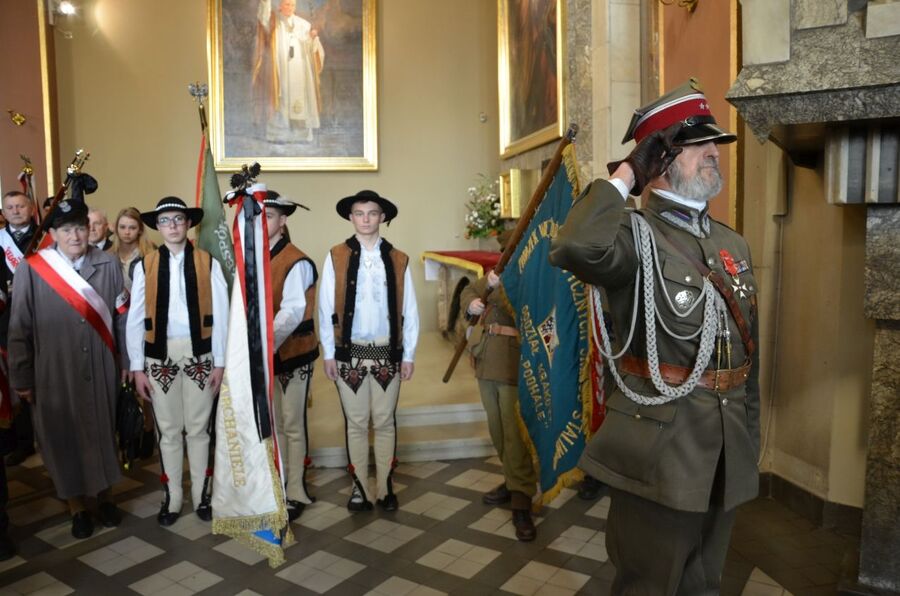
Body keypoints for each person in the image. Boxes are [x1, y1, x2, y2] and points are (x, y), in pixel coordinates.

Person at [549, 78, 760, 595]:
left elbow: (746, 356)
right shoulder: (630, 236)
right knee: (650, 585)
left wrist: (749, 439)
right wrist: (626, 176)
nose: (714, 152)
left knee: (704, 583)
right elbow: (574, 246)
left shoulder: (732, 243)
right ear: (659, 160)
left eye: (715, 143)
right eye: (698, 144)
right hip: (661, 452)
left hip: (724, 450)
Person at [7, 199, 128, 539]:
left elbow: (122, 321)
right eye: (66, 229)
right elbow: (20, 329)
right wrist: (22, 378)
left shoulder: (108, 263)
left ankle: (105, 497)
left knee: (103, 430)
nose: (75, 236)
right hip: (53, 370)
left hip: (102, 364)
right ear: (53, 234)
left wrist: (128, 365)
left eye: (80, 228)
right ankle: (76, 505)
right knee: (62, 438)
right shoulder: (32, 269)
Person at [127, 197, 228, 526]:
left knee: (199, 429)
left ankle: (202, 494)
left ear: (189, 224)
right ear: (157, 226)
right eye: (166, 220)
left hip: (201, 353)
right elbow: (136, 317)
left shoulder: (207, 261)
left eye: (179, 219)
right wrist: (137, 366)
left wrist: (221, 361)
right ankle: (172, 497)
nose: (172, 226)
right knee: (168, 431)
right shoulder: (145, 265)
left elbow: (223, 315)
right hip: (160, 354)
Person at [318, 190, 419, 512]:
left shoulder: (399, 258)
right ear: (351, 217)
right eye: (359, 213)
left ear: (382, 218)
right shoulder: (336, 256)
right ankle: (360, 487)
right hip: (350, 352)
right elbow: (324, 308)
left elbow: (411, 310)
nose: (365, 219)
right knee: (357, 422)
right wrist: (329, 353)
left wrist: (409, 354)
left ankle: (386, 485)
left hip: (388, 351)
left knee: (385, 420)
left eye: (372, 213)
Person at [461, 256, 537, 542]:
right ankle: (512, 480)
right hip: (486, 359)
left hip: (510, 362)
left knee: (513, 432)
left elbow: (524, 310)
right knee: (497, 430)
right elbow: (470, 290)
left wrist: (499, 288)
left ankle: (521, 499)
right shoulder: (498, 274)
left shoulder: (533, 278)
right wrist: (473, 301)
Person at [264, 191, 318, 521]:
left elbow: (293, 310)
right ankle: (279, 482)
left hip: (293, 352)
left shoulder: (296, 260)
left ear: (283, 221)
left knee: (293, 422)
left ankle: (296, 488)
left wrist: (264, 343)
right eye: (258, 216)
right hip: (266, 354)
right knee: (275, 423)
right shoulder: (253, 258)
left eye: (269, 216)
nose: (262, 222)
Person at [0, 191, 38, 467]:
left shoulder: (47, 235)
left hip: (43, 316)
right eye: (9, 207)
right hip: (8, 318)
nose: (15, 211)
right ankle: (24, 441)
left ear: (31, 208)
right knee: (19, 378)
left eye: (20, 206)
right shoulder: (0, 240)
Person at [254, 0, 325, 143]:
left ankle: (301, 134)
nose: (290, 8)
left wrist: (312, 39)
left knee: (300, 98)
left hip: (299, 71)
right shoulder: (273, 22)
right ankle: (280, 134)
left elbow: (312, 49)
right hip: (282, 71)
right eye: (287, 4)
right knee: (283, 99)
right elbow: (262, 17)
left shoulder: (303, 24)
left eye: (292, 5)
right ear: (280, 5)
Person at [110, 207, 156, 292]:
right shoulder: (109, 256)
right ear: (116, 228)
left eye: (132, 228)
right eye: (122, 227)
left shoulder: (151, 256)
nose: (127, 232)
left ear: (140, 230)